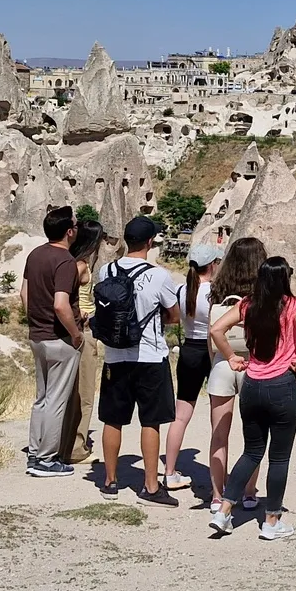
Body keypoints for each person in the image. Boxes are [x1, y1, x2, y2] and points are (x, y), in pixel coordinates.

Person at [207, 256, 296, 540]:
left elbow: (216, 329)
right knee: (279, 457)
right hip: (282, 384)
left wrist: (231, 357)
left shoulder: (248, 304)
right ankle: (271, 520)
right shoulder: (294, 305)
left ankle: (224, 511)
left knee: (251, 452)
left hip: (252, 384)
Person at [97, 216, 182, 506]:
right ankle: (150, 485)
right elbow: (174, 315)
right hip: (149, 356)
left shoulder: (106, 270)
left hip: (114, 356)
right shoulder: (159, 276)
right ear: (150, 241)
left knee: (113, 419)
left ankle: (109, 481)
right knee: (151, 421)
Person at [21, 205, 83, 477]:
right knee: (56, 400)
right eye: (75, 225)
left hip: (37, 335)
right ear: (69, 232)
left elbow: (24, 294)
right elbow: (60, 304)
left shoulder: (35, 254)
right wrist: (75, 333)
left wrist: (36, 320)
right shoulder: (65, 261)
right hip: (60, 338)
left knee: (42, 398)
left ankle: (35, 451)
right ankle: (46, 460)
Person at [205, 237, 265, 508]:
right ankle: (249, 492)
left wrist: (219, 360)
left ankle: (217, 495)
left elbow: (211, 335)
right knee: (255, 436)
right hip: (254, 363)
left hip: (223, 362)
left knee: (219, 435)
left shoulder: (219, 292)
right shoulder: (263, 293)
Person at [161, 243, 223, 491]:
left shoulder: (181, 290)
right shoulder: (215, 292)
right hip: (212, 351)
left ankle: (169, 472)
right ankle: (218, 480)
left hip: (189, 350)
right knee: (218, 416)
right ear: (212, 265)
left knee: (181, 414)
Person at [60, 218, 105, 464]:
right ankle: (76, 448)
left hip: (76, 330)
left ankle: (66, 443)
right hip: (83, 331)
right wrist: (80, 314)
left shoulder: (71, 262)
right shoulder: (80, 266)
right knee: (84, 392)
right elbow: (64, 297)